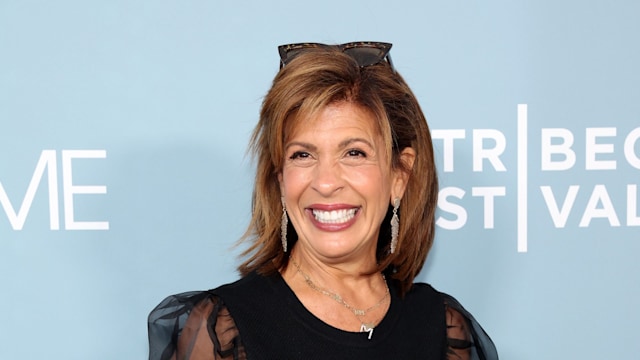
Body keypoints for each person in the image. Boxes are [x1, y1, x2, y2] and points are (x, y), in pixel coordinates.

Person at [148, 42, 498, 360]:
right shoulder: (223, 328)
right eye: (302, 155)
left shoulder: (443, 326)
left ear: (399, 176)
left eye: (354, 153)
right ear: (280, 179)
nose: (326, 182)